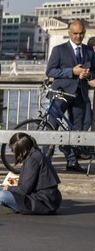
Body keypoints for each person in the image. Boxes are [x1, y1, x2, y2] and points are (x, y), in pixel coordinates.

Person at [46, 20, 95, 171]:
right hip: (60, 94)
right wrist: (71, 72)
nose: (78, 37)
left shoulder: (89, 51)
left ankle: (72, 162)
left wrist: (87, 75)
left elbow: (93, 72)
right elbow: (50, 71)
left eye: (81, 34)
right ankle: (44, 161)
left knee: (77, 130)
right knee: (51, 126)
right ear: (69, 33)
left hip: (80, 95)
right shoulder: (59, 50)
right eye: (75, 34)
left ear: (84, 33)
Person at [0, 133, 62, 215]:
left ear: (21, 149)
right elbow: (28, 182)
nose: (12, 152)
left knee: (2, 195)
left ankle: (6, 206)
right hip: (35, 194)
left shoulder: (32, 160)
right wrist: (11, 183)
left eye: (13, 149)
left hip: (43, 200)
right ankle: (4, 206)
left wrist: (9, 188)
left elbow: (24, 189)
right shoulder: (33, 155)